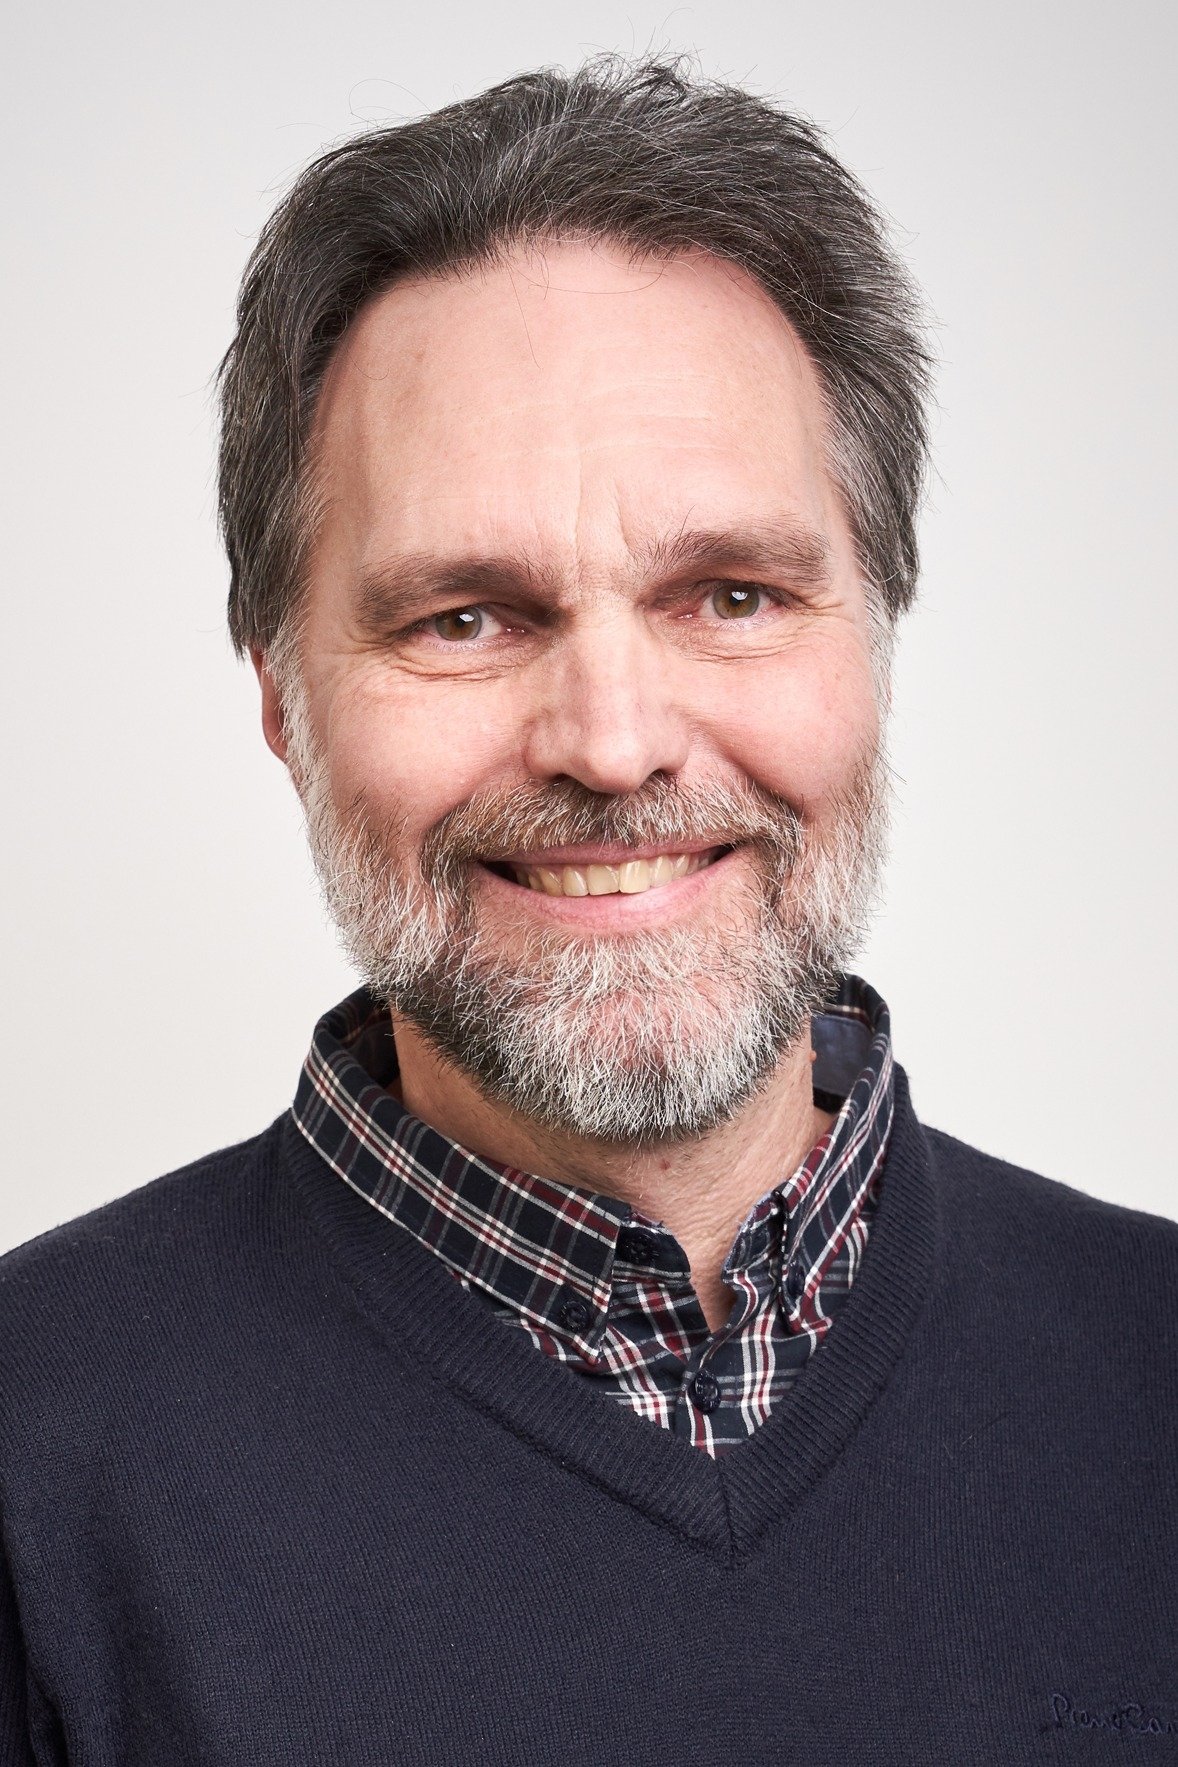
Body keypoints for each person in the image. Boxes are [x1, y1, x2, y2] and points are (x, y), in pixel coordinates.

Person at [1, 51, 1175, 1766]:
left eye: (732, 594)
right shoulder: (30, 1464)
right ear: (279, 699)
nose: (614, 746)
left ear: (874, 638)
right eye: (463, 618)